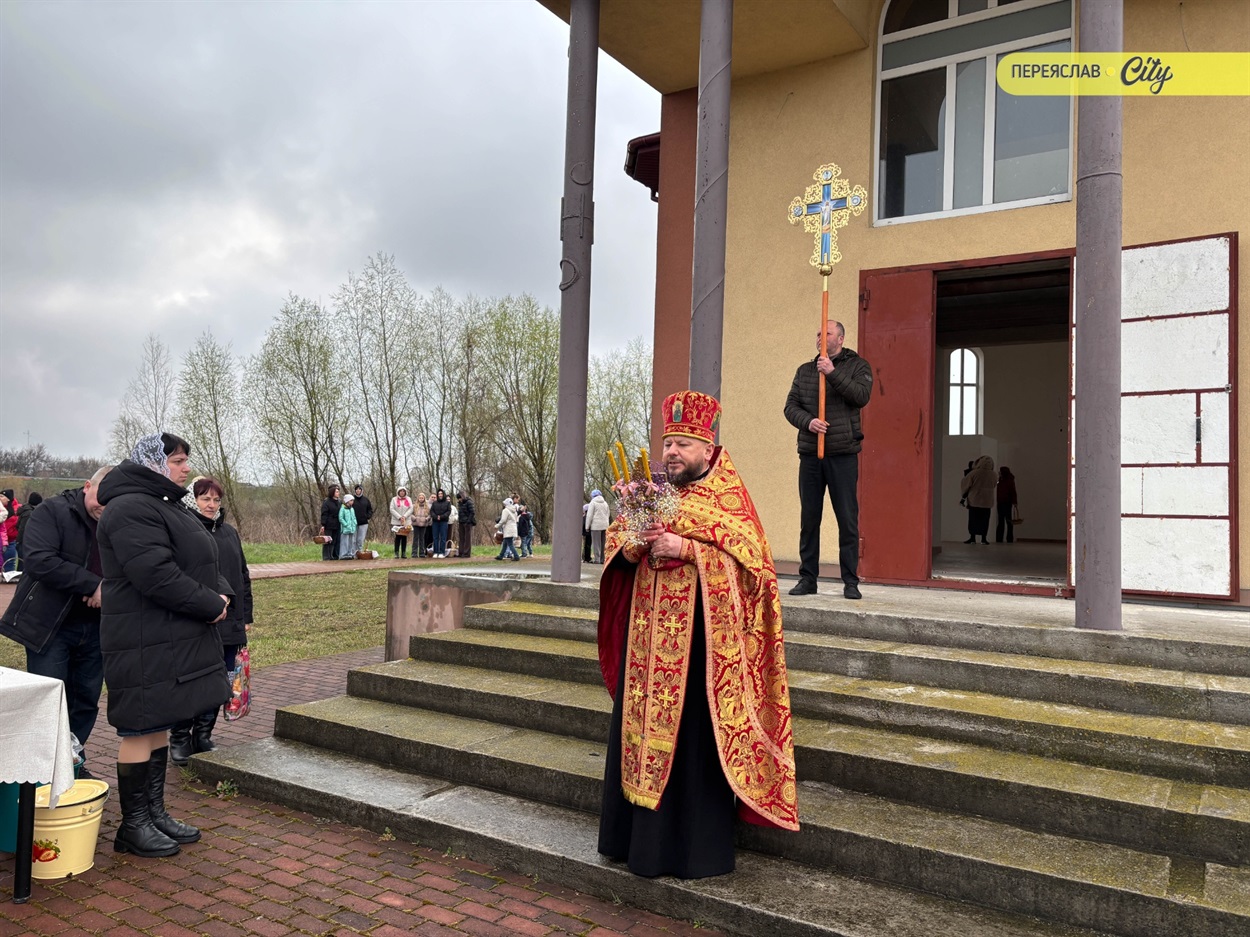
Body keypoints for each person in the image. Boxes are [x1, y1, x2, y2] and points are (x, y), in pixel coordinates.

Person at [597, 390, 798, 879]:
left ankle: (688, 850)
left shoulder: (729, 501)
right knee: (639, 737)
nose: (671, 453)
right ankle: (631, 843)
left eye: (683, 444)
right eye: (668, 443)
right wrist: (629, 548)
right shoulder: (652, 493)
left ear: (708, 449)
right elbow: (617, 547)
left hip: (699, 658)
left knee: (690, 751)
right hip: (646, 650)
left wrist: (689, 549)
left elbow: (757, 574)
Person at [96, 433, 231, 858]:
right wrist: (210, 605)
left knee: (155, 722)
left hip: (161, 636)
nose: (186, 467)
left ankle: (154, 814)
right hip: (140, 638)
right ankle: (133, 826)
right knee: (139, 727)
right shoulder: (130, 508)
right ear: (154, 463)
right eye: (178, 460)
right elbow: (155, 574)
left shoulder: (162, 504)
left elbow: (203, 556)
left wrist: (221, 592)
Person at [0, 468, 111, 775]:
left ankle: (71, 762)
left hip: (98, 625)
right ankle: (43, 770)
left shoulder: (119, 519)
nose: (107, 505)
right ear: (88, 485)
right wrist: (93, 585)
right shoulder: (53, 510)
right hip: (50, 626)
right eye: (103, 496)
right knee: (50, 698)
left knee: (86, 700)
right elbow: (39, 559)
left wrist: (109, 588)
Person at [783, 319, 874, 599]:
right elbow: (790, 407)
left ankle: (850, 581)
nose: (821, 337)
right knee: (809, 519)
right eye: (818, 332)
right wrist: (808, 422)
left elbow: (861, 396)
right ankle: (808, 578)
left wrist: (832, 373)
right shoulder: (805, 371)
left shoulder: (858, 366)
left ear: (841, 339)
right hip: (811, 455)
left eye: (827, 333)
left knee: (847, 520)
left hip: (842, 454)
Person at [170, 477, 252, 766]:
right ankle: (179, 738)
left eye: (216, 500)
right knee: (192, 682)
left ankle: (203, 735)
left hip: (230, 622)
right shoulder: (182, 530)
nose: (211, 504)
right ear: (193, 500)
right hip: (197, 620)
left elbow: (242, 575)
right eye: (205, 498)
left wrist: (246, 616)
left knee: (220, 681)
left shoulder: (229, 533)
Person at [961, 455, 997, 545]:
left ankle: (972, 538)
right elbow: (994, 485)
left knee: (973, 520)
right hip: (987, 501)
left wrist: (963, 496)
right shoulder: (993, 474)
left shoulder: (974, 473)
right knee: (985, 520)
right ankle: (983, 539)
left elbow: (966, 485)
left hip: (974, 500)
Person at [12, 491, 44, 570]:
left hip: (23, 541)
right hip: (25, 542)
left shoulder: (25, 510)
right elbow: (23, 529)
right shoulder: (29, 513)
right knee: (23, 564)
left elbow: (18, 526)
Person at [585, 489, 610, 564]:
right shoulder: (605, 503)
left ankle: (597, 559)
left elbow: (589, 515)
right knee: (603, 543)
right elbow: (608, 514)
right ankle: (603, 559)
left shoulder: (593, 503)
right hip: (605, 525)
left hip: (596, 526)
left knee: (596, 543)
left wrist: (587, 526)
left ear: (592, 496)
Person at [996, 466, 1018, 544]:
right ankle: (1008, 539)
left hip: (1004, 502)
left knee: (1002, 521)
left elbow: (1012, 492)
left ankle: (1000, 538)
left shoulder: (1005, 481)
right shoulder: (1007, 480)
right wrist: (1015, 502)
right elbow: (1013, 492)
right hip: (1006, 503)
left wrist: (1014, 502)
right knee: (1007, 521)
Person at [319, 485, 341, 561]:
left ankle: (333, 555)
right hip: (329, 524)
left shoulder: (339, 502)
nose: (338, 493)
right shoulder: (327, 502)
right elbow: (324, 514)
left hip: (337, 524)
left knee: (334, 541)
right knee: (327, 541)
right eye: (337, 492)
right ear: (333, 493)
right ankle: (326, 557)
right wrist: (323, 524)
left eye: (338, 492)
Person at [390, 487, 414, 558]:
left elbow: (411, 508)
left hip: (406, 520)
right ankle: (396, 552)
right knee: (397, 537)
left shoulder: (408, 499)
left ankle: (403, 553)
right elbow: (392, 509)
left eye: (403, 491)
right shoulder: (394, 499)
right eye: (401, 491)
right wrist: (399, 517)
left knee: (404, 537)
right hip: (397, 520)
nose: (402, 492)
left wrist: (404, 516)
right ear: (398, 492)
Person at [1, 488, 20, 572]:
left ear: (8, 498)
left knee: (9, 566)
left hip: (10, 541)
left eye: (2, 496)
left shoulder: (16, 510)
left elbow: (13, 526)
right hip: (3, 540)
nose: (0, 498)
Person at [351, 484, 373, 555]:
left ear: (362, 490)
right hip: (353, 523)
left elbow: (370, 509)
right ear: (355, 490)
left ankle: (359, 553)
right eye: (357, 489)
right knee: (353, 540)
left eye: (359, 489)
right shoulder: (352, 500)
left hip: (363, 523)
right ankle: (353, 553)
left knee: (360, 540)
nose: (358, 490)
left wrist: (367, 516)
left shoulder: (366, 500)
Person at [430, 488, 452, 558]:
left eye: (441, 494)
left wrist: (441, 517)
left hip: (444, 522)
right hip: (435, 522)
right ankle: (436, 552)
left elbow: (448, 511)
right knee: (435, 537)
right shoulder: (434, 503)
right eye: (439, 494)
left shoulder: (447, 503)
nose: (440, 495)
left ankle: (442, 552)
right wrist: (436, 517)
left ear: (443, 494)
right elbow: (431, 511)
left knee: (443, 537)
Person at [455, 491, 476, 557]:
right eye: (458, 498)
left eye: (460, 498)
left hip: (467, 523)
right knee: (461, 538)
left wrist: (468, 521)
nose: (459, 500)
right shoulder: (460, 504)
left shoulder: (469, 502)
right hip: (461, 522)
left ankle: (466, 553)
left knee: (467, 538)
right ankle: (461, 552)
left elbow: (472, 512)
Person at [338, 493, 358, 559]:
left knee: (351, 542)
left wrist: (355, 523)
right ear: (347, 501)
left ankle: (350, 553)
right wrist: (345, 524)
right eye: (351, 500)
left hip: (352, 528)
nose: (352, 502)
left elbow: (354, 517)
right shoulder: (343, 508)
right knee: (345, 542)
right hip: (345, 528)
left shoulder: (352, 509)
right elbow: (340, 518)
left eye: (353, 501)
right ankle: (343, 554)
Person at [412, 492, 432, 558]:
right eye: (420, 498)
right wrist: (414, 518)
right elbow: (411, 514)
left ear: (424, 498)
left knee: (422, 539)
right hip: (416, 524)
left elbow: (430, 515)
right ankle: (414, 553)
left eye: (422, 498)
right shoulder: (414, 506)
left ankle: (421, 553)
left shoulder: (427, 507)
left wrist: (427, 519)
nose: (421, 499)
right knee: (415, 539)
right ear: (418, 498)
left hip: (424, 524)